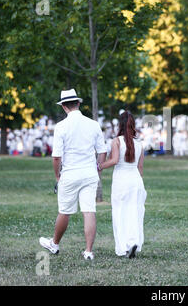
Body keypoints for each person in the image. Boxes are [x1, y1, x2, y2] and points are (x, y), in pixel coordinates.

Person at [39, 89, 107, 261]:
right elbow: (102, 151)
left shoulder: (61, 127)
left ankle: (54, 243)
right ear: (78, 103)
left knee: (64, 211)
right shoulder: (93, 124)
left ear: (63, 106)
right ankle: (89, 251)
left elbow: (56, 157)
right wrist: (98, 168)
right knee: (89, 211)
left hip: (70, 174)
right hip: (89, 173)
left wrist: (57, 177)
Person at [99, 111, 146, 258]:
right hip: (136, 180)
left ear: (120, 124)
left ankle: (123, 247)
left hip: (121, 179)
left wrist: (100, 165)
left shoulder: (117, 141)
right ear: (133, 125)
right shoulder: (139, 144)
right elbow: (140, 168)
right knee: (135, 213)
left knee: (120, 213)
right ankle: (134, 242)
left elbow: (114, 160)